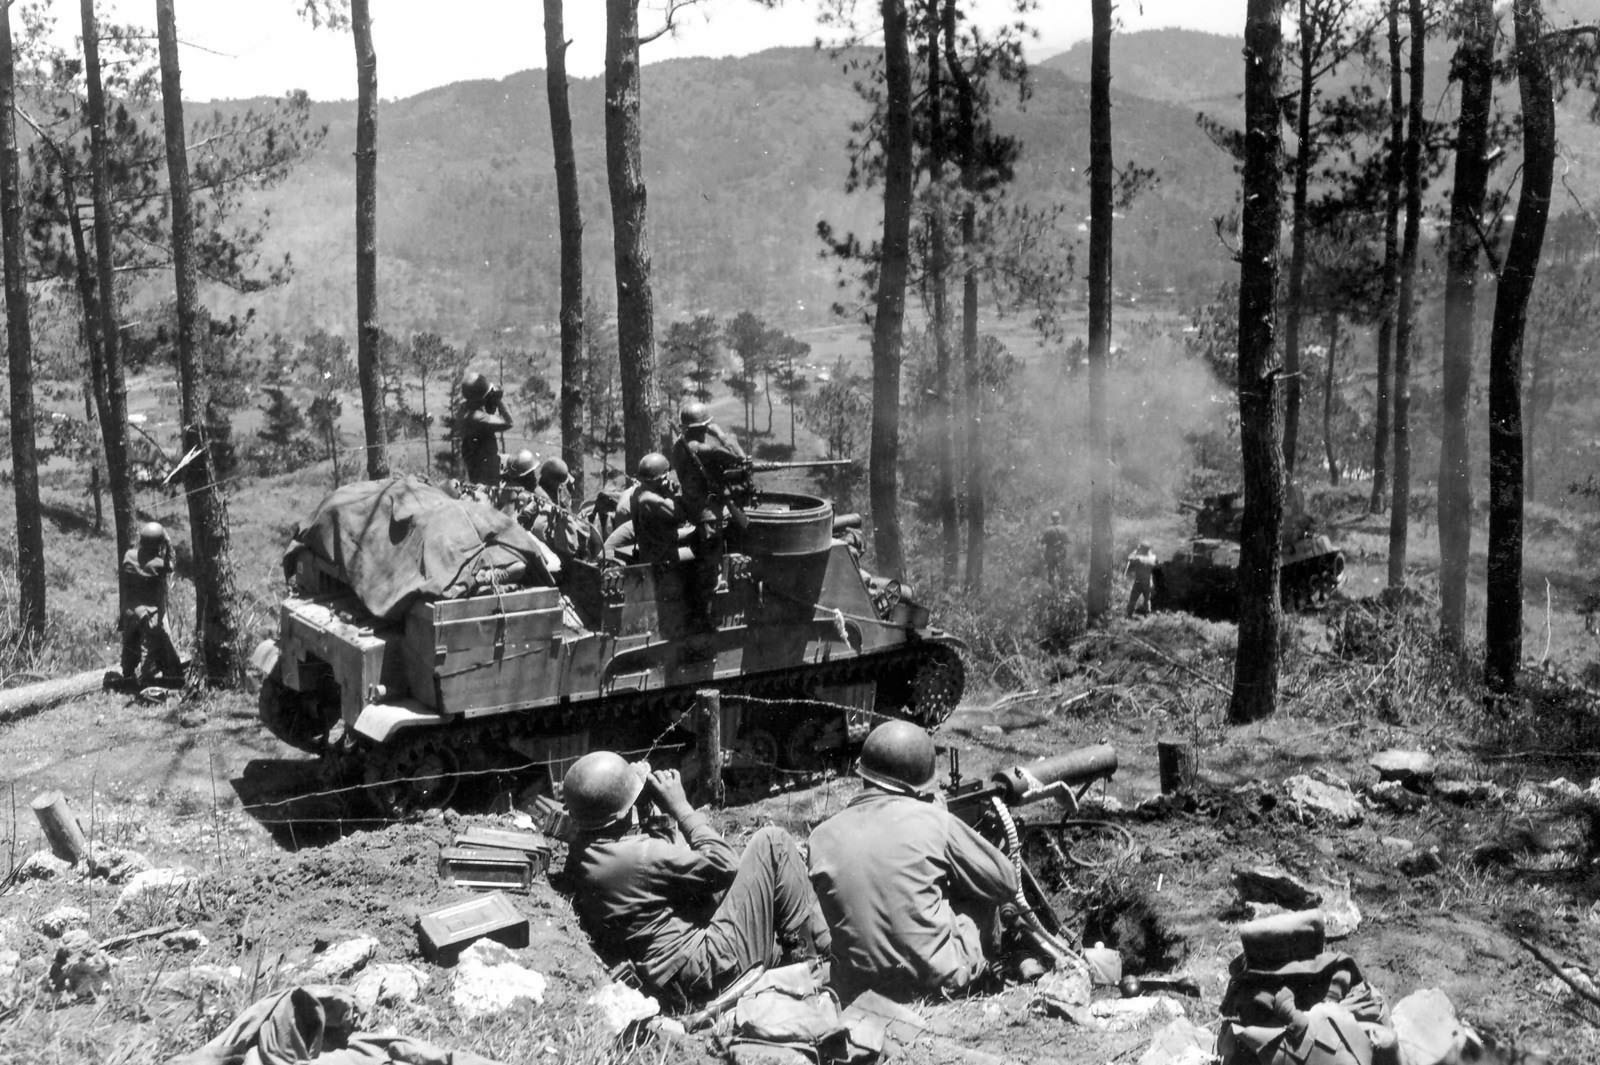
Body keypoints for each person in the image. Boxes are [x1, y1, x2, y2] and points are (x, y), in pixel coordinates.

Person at [559, 751, 830, 1007]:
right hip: (704, 970)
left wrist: (645, 813)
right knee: (773, 843)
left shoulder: (586, 849)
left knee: (725, 898)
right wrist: (681, 808)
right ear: (622, 813)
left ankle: (793, 952)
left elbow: (666, 865)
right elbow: (725, 864)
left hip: (672, 977)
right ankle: (815, 963)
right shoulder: (638, 855)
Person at [808, 721, 1019, 1002]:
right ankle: (995, 975)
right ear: (921, 785)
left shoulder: (820, 838)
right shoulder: (932, 820)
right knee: (977, 892)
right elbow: (1005, 881)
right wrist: (945, 820)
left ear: (864, 775)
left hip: (858, 990)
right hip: (937, 983)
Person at [670, 401, 748, 631]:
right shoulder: (708, 451)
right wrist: (722, 435)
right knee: (711, 570)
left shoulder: (679, 447)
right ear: (705, 427)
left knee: (704, 567)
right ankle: (707, 621)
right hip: (709, 516)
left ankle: (701, 614)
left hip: (692, 509)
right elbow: (741, 460)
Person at [119, 522, 183, 687]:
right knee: (153, 646)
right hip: (150, 613)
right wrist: (168, 543)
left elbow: (136, 556)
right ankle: (149, 680)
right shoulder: (159, 564)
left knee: (130, 643)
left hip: (130, 609)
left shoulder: (128, 556)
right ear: (158, 544)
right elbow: (171, 564)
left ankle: (127, 675)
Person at [455, 372, 513, 487]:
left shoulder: (464, 410)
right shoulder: (478, 418)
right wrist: (498, 400)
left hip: (475, 461)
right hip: (486, 466)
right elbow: (509, 422)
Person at [1125, 541, 1157, 618]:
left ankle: (1129, 615)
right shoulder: (1152, 558)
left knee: (1133, 599)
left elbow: (1130, 558)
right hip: (1148, 582)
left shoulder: (1138, 558)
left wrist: (1135, 552)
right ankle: (1147, 615)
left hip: (1139, 581)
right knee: (1147, 600)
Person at [1040, 511, 1070, 587]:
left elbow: (1042, 541)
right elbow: (1068, 541)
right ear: (1059, 518)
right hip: (1060, 553)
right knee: (1062, 573)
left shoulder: (1047, 530)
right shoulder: (1063, 529)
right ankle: (1062, 591)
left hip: (1050, 553)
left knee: (1051, 573)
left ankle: (1052, 591)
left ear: (1051, 519)